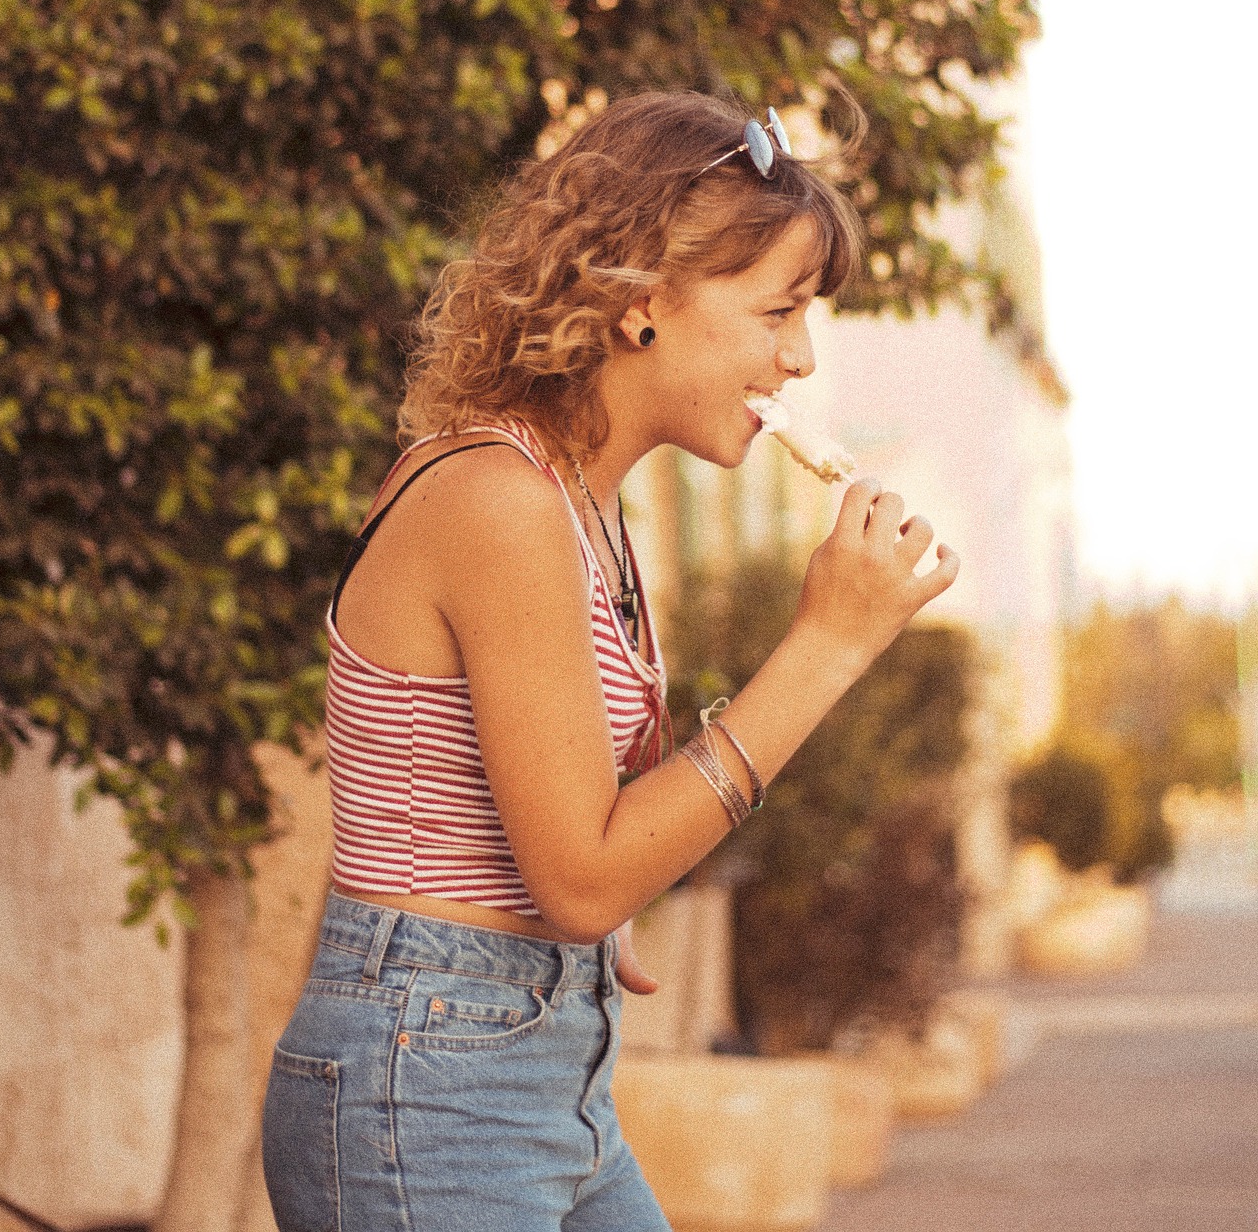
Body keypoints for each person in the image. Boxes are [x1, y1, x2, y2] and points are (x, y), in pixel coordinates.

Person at [262, 89, 958, 1232]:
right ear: (641, 300)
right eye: (777, 310)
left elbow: (570, 846)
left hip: (530, 1065)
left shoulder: (583, 505)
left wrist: (584, 897)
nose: (798, 359)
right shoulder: (501, 501)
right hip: (429, 1083)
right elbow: (580, 880)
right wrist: (826, 646)